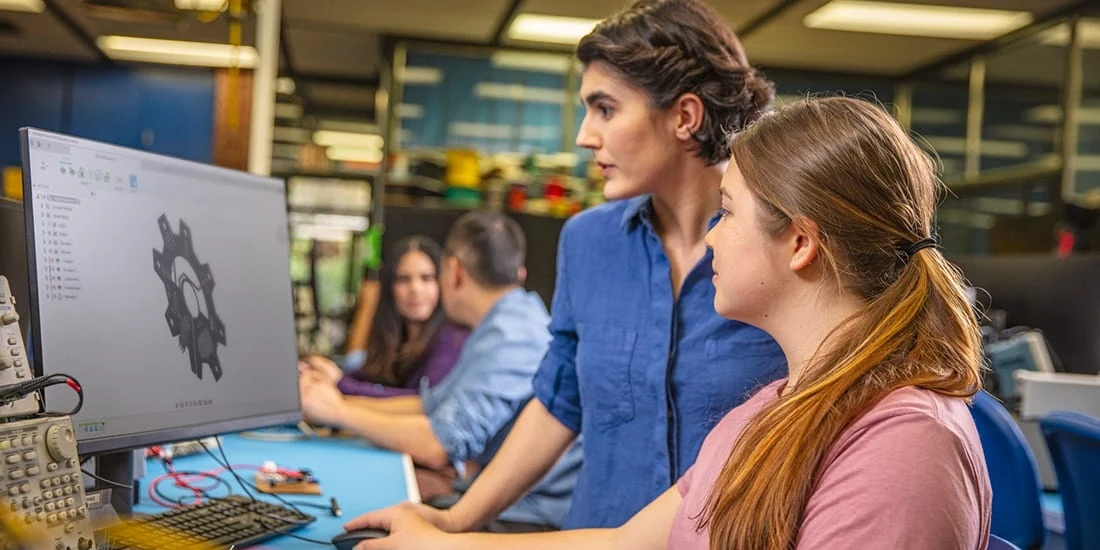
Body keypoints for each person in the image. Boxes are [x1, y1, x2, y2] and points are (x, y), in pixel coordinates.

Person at [343, 96, 993, 550]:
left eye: (729, 213)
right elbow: (627, 542)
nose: (712, 240)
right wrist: (440, 541)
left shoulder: (905, 451)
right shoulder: (775, 409)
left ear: (800, 243)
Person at [347, 0, 787, 534]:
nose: (583, 136)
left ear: (684, 116)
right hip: (589, 534)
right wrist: (455, 521)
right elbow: (559, 402)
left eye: (604, 109)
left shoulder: (778, 245)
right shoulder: (588, 241)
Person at [300, 211, 582, 529]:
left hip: (525, 517)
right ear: (519, 272)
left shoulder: (512, 337)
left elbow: (439, 445)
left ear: (453, 271)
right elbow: (428, 405)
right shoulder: (505, 320)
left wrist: (339, 411)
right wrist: (331, 400)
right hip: (497, 501)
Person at [300, 236, 468, 399]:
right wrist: (320, 373)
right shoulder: (393, 340)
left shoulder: (451, 339)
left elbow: (424, 402)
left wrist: (340, 383)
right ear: (390, 288)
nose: (416, 289)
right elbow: (363, 377)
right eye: (403, 279)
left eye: (426, 278)